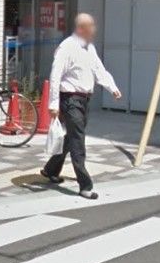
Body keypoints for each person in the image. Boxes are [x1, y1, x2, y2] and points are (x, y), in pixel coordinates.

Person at [41, 13, 122, 200]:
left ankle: (50, 169)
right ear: (80, 28)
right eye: (89, 26)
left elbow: (99, 70)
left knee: (72, 137)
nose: (93, 30)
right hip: (69, 99)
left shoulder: (89, 48)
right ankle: (85, 185)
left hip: (84, 99)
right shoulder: (67, 47)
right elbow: (55, 75)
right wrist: (53, 103)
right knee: (78, 140)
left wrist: (112, 87)